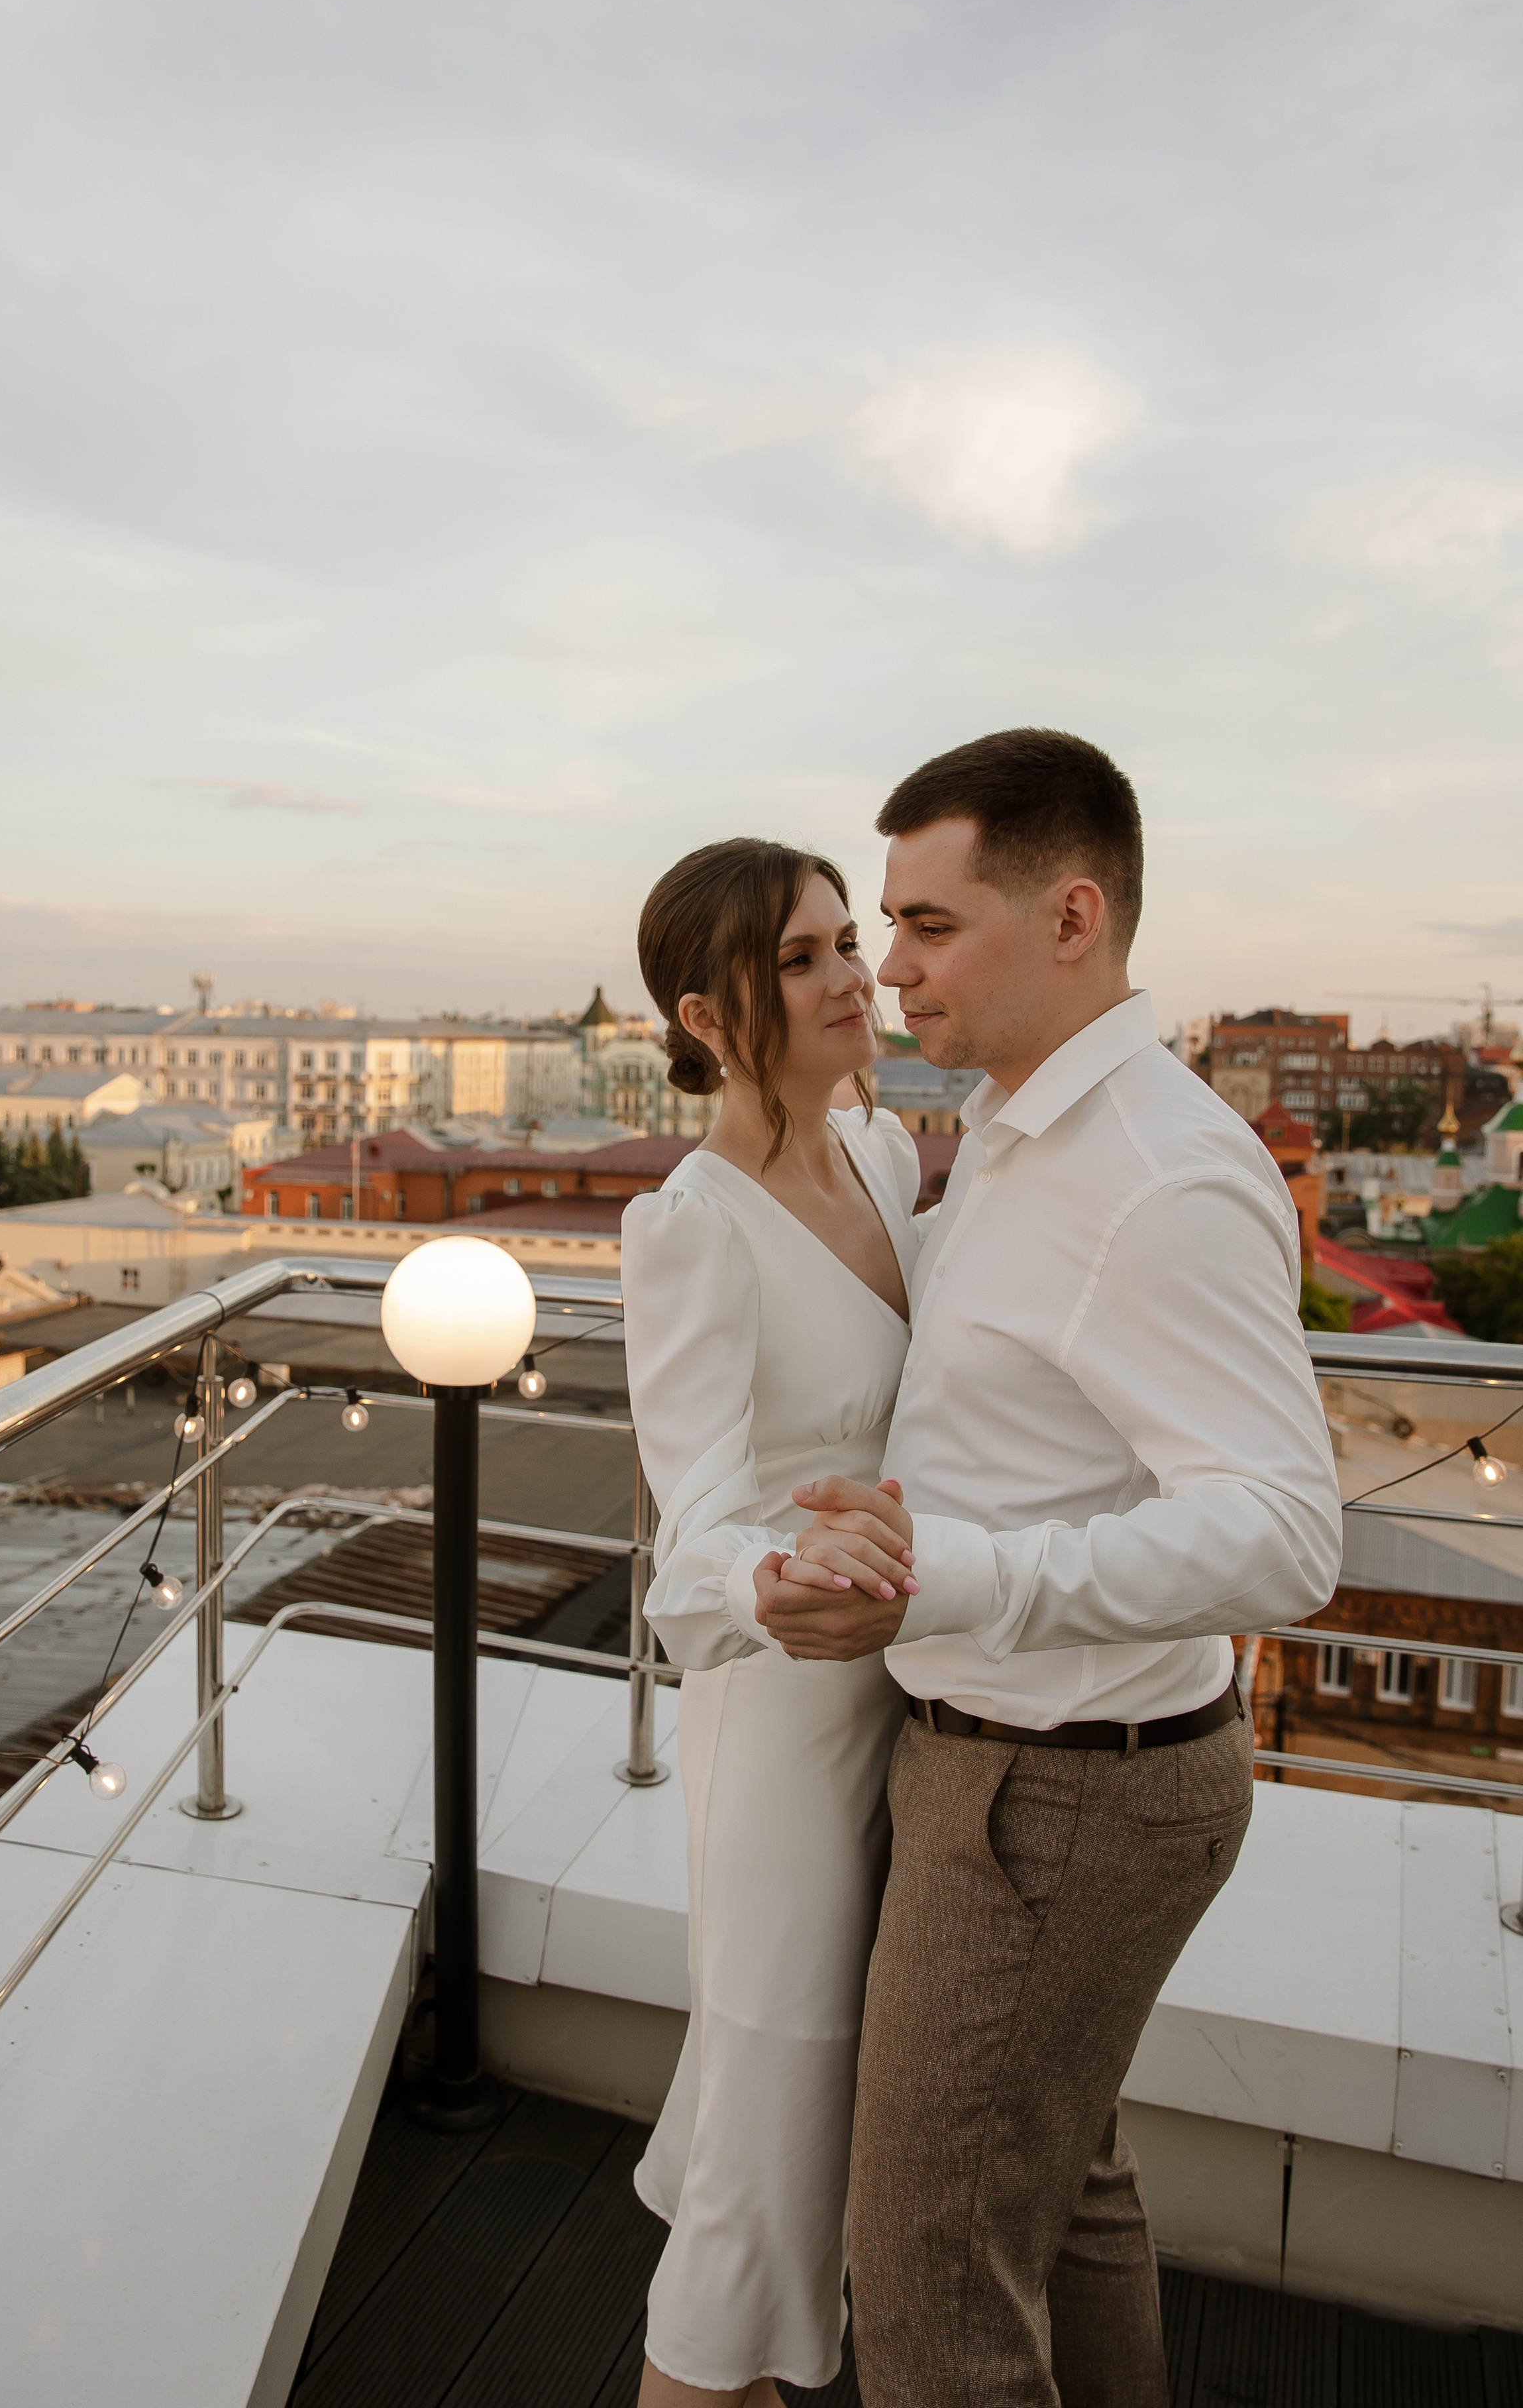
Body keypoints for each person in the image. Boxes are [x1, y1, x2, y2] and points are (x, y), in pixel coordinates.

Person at [753, 730, 1343, 2408]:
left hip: (1059, 1799)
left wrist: (950, 1579)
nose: (890, 969)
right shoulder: (1017, 1126)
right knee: (1056, 2202)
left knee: (931, 2281)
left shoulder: (1150, 1175)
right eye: (883, 927)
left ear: (1072, 914)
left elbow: (1287, 1532)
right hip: (1032, 1774)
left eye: (930, 926)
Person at [621, 837, 923, 2408]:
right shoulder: (689, 1222)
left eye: (846, 942)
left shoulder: (880, 1154)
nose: (847, 978)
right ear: (709, 1012)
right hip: (787, 1725)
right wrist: (773, 1586)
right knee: (763, 2179)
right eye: (798, 960)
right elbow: (697, 1526)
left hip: (911, 1701)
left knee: (812, 2116)